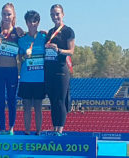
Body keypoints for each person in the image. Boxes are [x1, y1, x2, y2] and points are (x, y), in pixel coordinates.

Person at [0, 3, 24, 135]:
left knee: (12, 100)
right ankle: (2, 129)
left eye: (9, 14)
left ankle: (11, 128)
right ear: (1, 15)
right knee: (1, 100)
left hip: (12, 70)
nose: (6, 17)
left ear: (13, 15)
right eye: (4, 14)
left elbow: (24, 49)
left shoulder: (18, 32)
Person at [44, 4, 75, 135]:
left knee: (61, 100)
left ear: (63, 14)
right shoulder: (50, 32)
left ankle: (60, 130)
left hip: (62, 70)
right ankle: (54, 128)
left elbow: (71, 51)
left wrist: (59, 50)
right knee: (52, 100)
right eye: (52, 14)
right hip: (49, 69)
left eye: (57, 14)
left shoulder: (68, 31)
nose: (55, 16)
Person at [18, 10, 46, 135]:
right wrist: (24, 55)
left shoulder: (44, 37)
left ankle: (39, 132)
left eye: (34, 21)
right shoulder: (22, 40)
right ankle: (27, 132)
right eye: (29, 21)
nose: (32, 24)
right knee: (27, 108)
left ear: (38, 23)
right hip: (26, 79)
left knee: (39, 108)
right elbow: (19, 58)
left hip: (40, 79)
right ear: (26, 23)